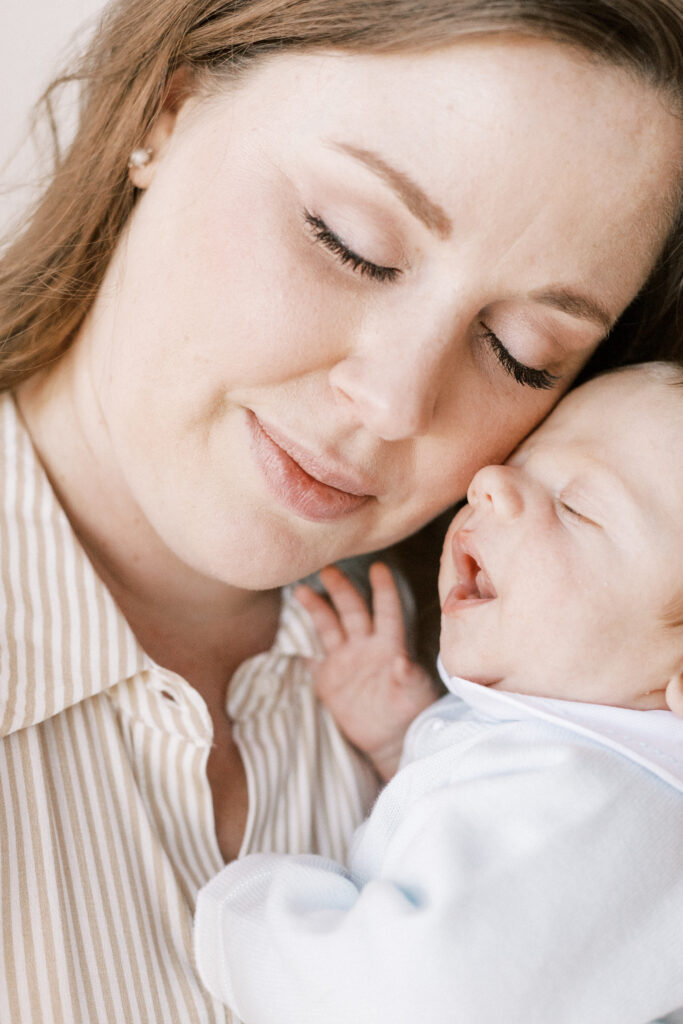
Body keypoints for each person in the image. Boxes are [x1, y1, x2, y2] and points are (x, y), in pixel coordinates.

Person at [1, 1, 682, 1022]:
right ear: (165, 107)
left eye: (520, 355)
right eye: (350, 243)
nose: (397, 401)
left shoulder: (529, 717)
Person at [195, 362, 683, 1024]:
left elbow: (405, 997)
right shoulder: (608, 788)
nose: (490, 481)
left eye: (576, 507)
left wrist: (245, 914)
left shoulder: (591, 803)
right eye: (524, 457)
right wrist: (409, 739)